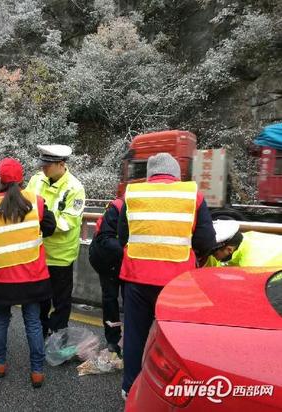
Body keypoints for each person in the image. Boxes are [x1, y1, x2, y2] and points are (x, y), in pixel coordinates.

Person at [117, 152, 216, 400]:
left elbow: (122, 237)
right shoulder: (191, 195)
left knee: (134, 336)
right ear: (176, 174)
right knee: (174, 338)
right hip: (177, 281)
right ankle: (172, 392)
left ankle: (130, 389)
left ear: (150, 174)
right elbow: (206, 241)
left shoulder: (134, 193)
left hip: (137, 277)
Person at [0, 158, 56, 388]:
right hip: (32, 275)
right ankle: (37, 371)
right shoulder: (36, 201)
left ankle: (0, 364)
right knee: (33, 323)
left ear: (0, 179)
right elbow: (49, 227)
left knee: (1, 321)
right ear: (22, 179)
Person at [26, 144, 85, 336]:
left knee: (61, 300)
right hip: (38, 252)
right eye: (42, 164)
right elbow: (25, 205)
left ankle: (58, 335)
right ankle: (42, 331)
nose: (43, 168)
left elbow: (68, 221)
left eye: (47, 165)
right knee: (40, 298)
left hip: (60, 255)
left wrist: (42, 222)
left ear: (61, 164)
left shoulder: (75, 188)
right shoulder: (36, 180)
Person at [88, 198, 124, 356]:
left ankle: (130, 340)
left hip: (124, 260)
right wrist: (130, 250)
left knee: (132, 301)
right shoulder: (117, 208)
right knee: (110, 299)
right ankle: (113, 340)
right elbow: (105, 238)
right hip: (107, 260)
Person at [206, 220, 282, 267]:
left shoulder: (251, 263)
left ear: (229, 249)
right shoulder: (244, 240)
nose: (214, 257)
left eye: (215, 254)